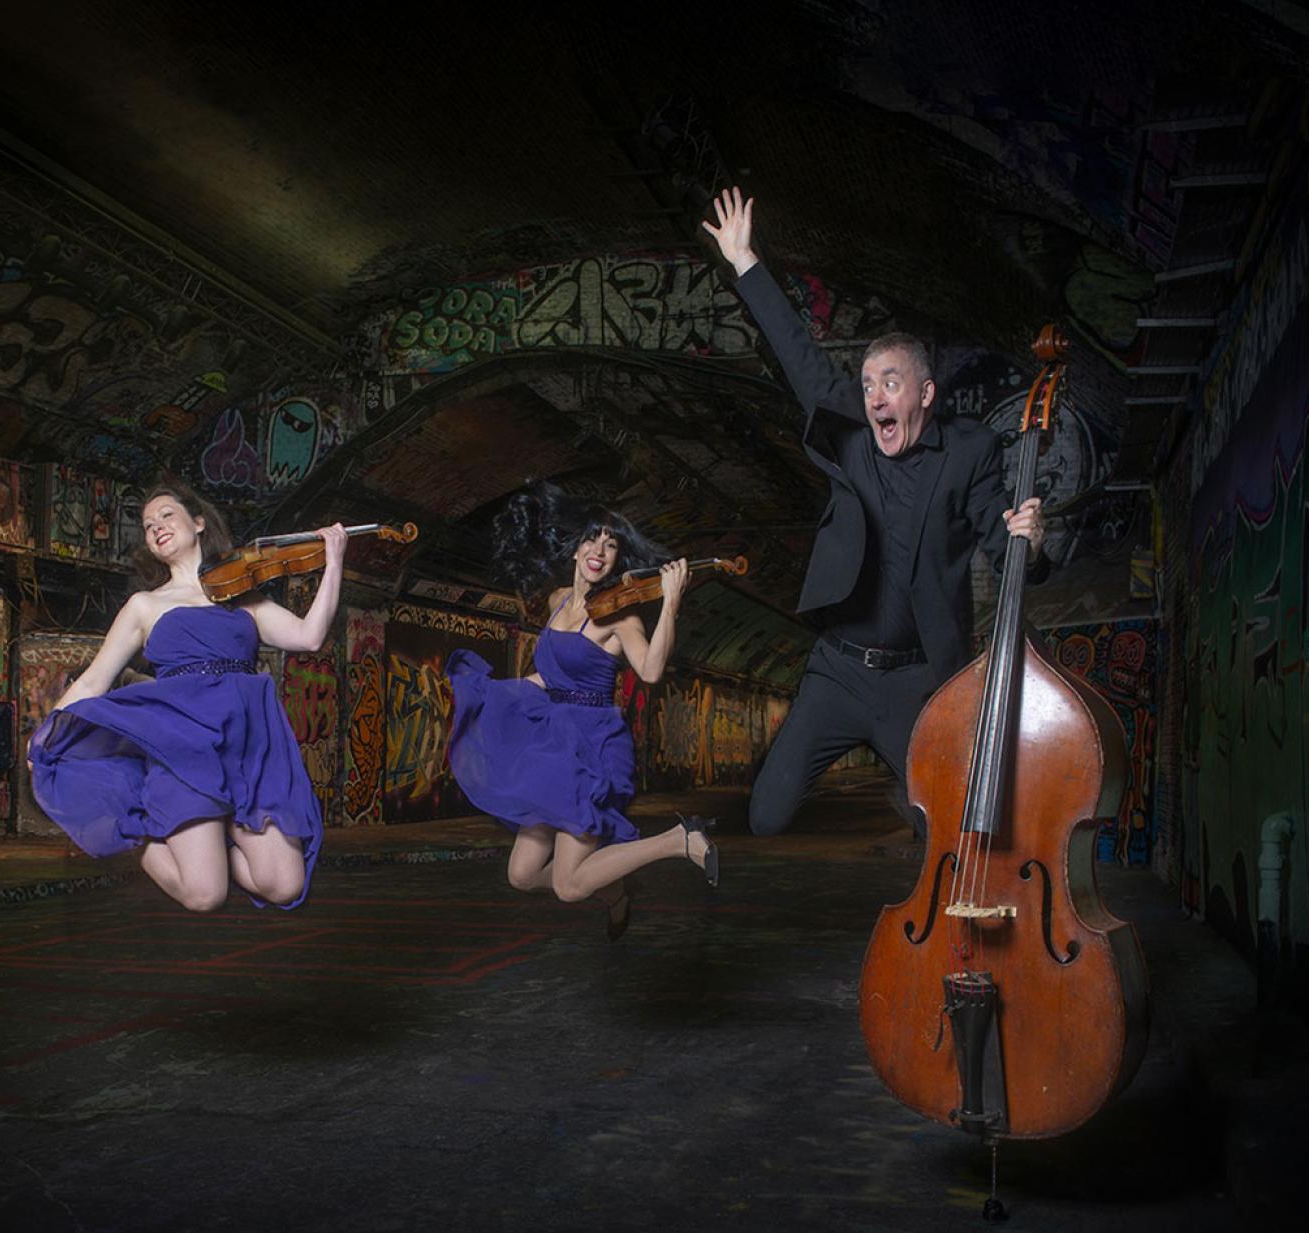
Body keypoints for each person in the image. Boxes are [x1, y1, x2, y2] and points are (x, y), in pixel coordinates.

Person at [700, 187, 1046, 838]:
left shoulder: (968, 454)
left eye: (890, 381)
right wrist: (745, 261)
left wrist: (1032, 539)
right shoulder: (856, 437)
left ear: (925, 392)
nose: (875, 395)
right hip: (836, 671)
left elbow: (1006, 545)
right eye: (867, 384)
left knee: (947, 829)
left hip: (914, 684)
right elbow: (798, 355)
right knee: (766, 815)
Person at [27, 483, 344, 911]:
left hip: (248, 746)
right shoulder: (144, 605)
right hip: (184, 749)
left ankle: (215, 841)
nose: (156, 527)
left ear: (198, 523)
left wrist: (335, 560)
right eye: (148, 525)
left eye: (166, 516)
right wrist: (45, 735)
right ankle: (136, 827)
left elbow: (308, 637)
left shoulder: (240, 595)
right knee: (204, 895)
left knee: (283, 884)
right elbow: (92, 682)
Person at [446, 488, 716, 939]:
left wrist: (670, 603)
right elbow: (550, 677)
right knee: (523, 875)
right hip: (552, 746)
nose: (600, 552)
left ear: (617, 559)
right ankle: (616, 893)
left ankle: (678, 841)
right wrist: (489, 696)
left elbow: (650, 671)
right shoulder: (556, 602)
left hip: (592, 748)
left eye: (611, 546)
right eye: (593, 540)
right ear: (575, 547)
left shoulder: (621, 619)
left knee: (569, 886)